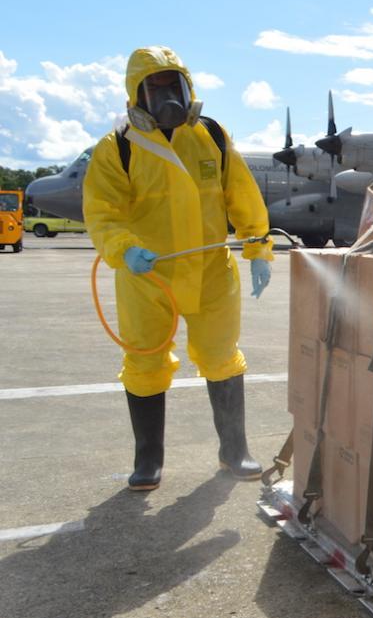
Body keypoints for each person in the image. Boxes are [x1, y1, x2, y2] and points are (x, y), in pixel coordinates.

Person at [83, 46, 274, 492]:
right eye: (156, 89)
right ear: (137, 95)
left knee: (222, 357)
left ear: (188, 88)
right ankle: (148, 459)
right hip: (147, 278)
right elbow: (102, 212)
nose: (168, 98)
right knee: (144, 360)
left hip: (211, 271)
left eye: (175, 87)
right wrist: (125, 249)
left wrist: (258, 247)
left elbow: (241, 193)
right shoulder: (119, 147)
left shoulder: (211, 135)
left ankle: (234, 450)